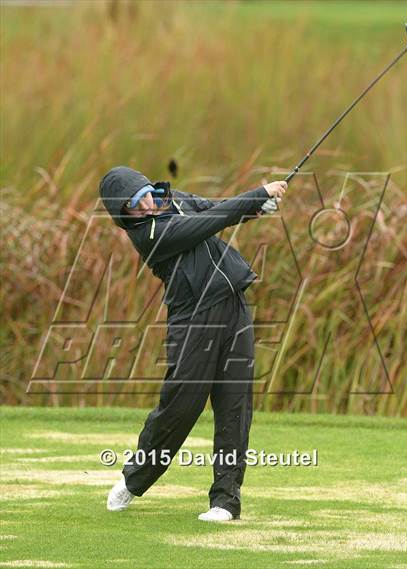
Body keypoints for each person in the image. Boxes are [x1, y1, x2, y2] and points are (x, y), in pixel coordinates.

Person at [99, 166, 287, 522]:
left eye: (145, 195)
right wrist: (259, 193)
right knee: (181, 406)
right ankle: (135, 478)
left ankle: (225, 501)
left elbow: (215, 206)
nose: (145, 206)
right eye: (133, 207)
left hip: (233, 303)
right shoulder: (150, 234)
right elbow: (212, 221)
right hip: (194, 320)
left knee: (236, 403)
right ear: (125, 217)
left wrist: (256, 208)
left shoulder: (175, 200)